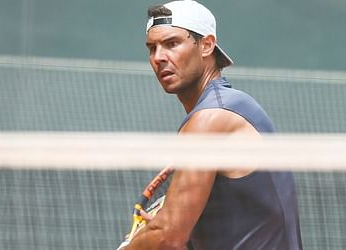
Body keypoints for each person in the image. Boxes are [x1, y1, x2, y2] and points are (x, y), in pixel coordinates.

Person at [122, 1, 302, 249]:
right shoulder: (227, 107)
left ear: (206, 45)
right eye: (152, 48)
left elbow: (168, 236)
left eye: (172, 44)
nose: (159, 57)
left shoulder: (212, 117)